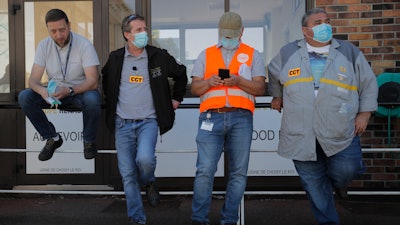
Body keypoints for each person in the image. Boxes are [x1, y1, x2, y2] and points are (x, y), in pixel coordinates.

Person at [268, 8, 378, 225]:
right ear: (305, 30)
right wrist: (277, 95)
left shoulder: (349, 51)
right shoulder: (288, 52)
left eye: (327, 21)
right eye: (318, 22)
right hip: (302, 132)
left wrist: (364, 115)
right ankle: (328, 222)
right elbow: (273, 73)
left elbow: (368, 83)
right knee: (313, 183)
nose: (325, 25)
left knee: (347, 170)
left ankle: (336, 183)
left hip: (340, 128)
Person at [101, 14, 187, 225]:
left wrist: (175, 99)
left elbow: (181, 74)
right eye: (138, 30)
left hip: (148, 121)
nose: (143, 33)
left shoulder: (158, 56)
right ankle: (137, 219)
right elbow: (105, 79)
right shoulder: (115, 58)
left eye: (144, 29)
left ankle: (149, 182)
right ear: (127, 35)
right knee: (128, 175)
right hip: (122, 124)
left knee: (145, 160)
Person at [190, 12, 266, 225]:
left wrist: (239, 81)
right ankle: (198, 220)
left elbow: (260, 87)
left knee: (238, 173)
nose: (229, 38)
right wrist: (209, 83)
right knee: (205, 170)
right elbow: (195, 88)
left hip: (241, 118)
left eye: (233, 35)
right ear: (219, 32)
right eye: (226, 35)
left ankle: (229, 220)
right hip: (210, 117)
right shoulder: (206, 55)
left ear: (242, 32)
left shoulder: (253, 54)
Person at [18, 9, 101, 161]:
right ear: (48, 30)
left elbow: (93, 81)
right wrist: (42, 91)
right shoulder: (44, 46)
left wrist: (69, 90)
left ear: (69, 25)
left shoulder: (84, 45)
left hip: (78, 91)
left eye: (62, 29)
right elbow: (33, 80)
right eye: (53, 31)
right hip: (54, 92)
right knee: (25, 97)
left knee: (93, 99)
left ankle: (88, 141)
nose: (58, 35)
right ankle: (52, 138)